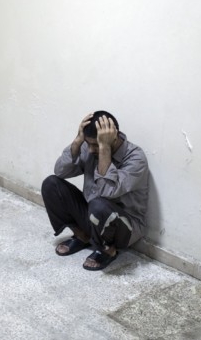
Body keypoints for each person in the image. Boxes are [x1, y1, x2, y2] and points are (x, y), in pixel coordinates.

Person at [41, 111, 150, 271]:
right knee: (51, 184)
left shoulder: (135, 158)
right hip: (94, 216)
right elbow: (60, 171)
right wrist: (78, 140)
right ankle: (83, 236)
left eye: (96, 145)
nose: (91, 149)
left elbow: (107, 192)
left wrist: (104, 148)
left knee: (99, 204)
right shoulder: (90, 147)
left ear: (113, 138)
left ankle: (108, 249)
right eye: (88, 143)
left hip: (123, 228)